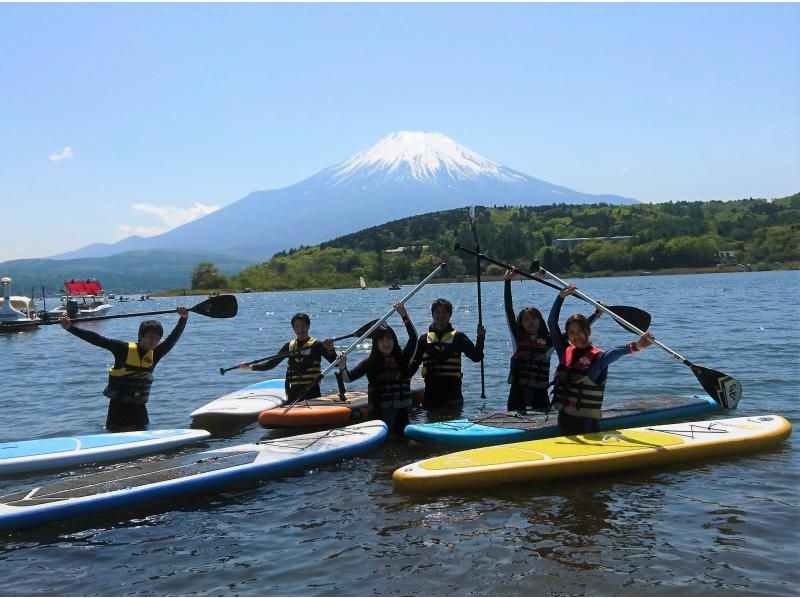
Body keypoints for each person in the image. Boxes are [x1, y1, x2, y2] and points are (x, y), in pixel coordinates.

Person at [59, 307, 190, 432]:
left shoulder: (155, 354)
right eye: (150, 337)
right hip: (118, 409)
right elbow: (98, 340)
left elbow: (172, 339)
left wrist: (183, 318)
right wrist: (70, 328)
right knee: (115, 433)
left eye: (157, 338)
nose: (154, 341)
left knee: (142, 434)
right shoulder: (123, 349)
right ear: (141, 336)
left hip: (139, 409)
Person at [548, 283, 655, 435]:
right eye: (571, 332)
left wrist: (638, 346)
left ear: (587, 332)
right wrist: (560, 297)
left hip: (587, 424)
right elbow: (552, 323)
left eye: (579, 332)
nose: (575, 336)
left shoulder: (597, 357)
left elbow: (613, 353)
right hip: (564, 419)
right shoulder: (564, 351)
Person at [504, 268, 603, 413]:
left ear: (540, 321)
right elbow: (509, 310)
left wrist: (596, 314)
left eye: (534, 318)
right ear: (521, 324)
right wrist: (507, 283)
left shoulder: (549, 343)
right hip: (517, 393)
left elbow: (575, 333)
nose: (530, 322)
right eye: (526, 319)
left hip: (540, 393)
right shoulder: (517, 338)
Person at [337, 303, 417, 434]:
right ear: (376, 343)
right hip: (378, 416)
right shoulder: (370, 363)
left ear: (394, 340)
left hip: (401, 415)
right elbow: (348, 379)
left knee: (401, 443)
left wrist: (404, 316)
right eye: (382, 340)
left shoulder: (403, 359)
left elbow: (413, 338)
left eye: (389, 338)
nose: (386, 343)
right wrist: (342, 366)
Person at [238, 312, 335, 402]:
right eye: (297, 326)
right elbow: (271, 364)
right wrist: (251, 367)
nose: (300, 329)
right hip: (293, 392)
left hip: (312, 391)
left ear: (308, 326)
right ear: (293, 329)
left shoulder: (317, 345)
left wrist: (331, 349)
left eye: (303, 325)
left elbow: (335, 364)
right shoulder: (289, 346)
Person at [410, 297, 485, 410]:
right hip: (431, 398)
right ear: (432, 314)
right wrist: (403, 378)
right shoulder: (424, 339)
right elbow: (414, 364)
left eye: (444, 312)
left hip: (453, 398)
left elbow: (477, 357)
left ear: (450, 315)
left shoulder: (459, 338)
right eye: (437, 312)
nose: (441, 315)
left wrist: (480, 338)